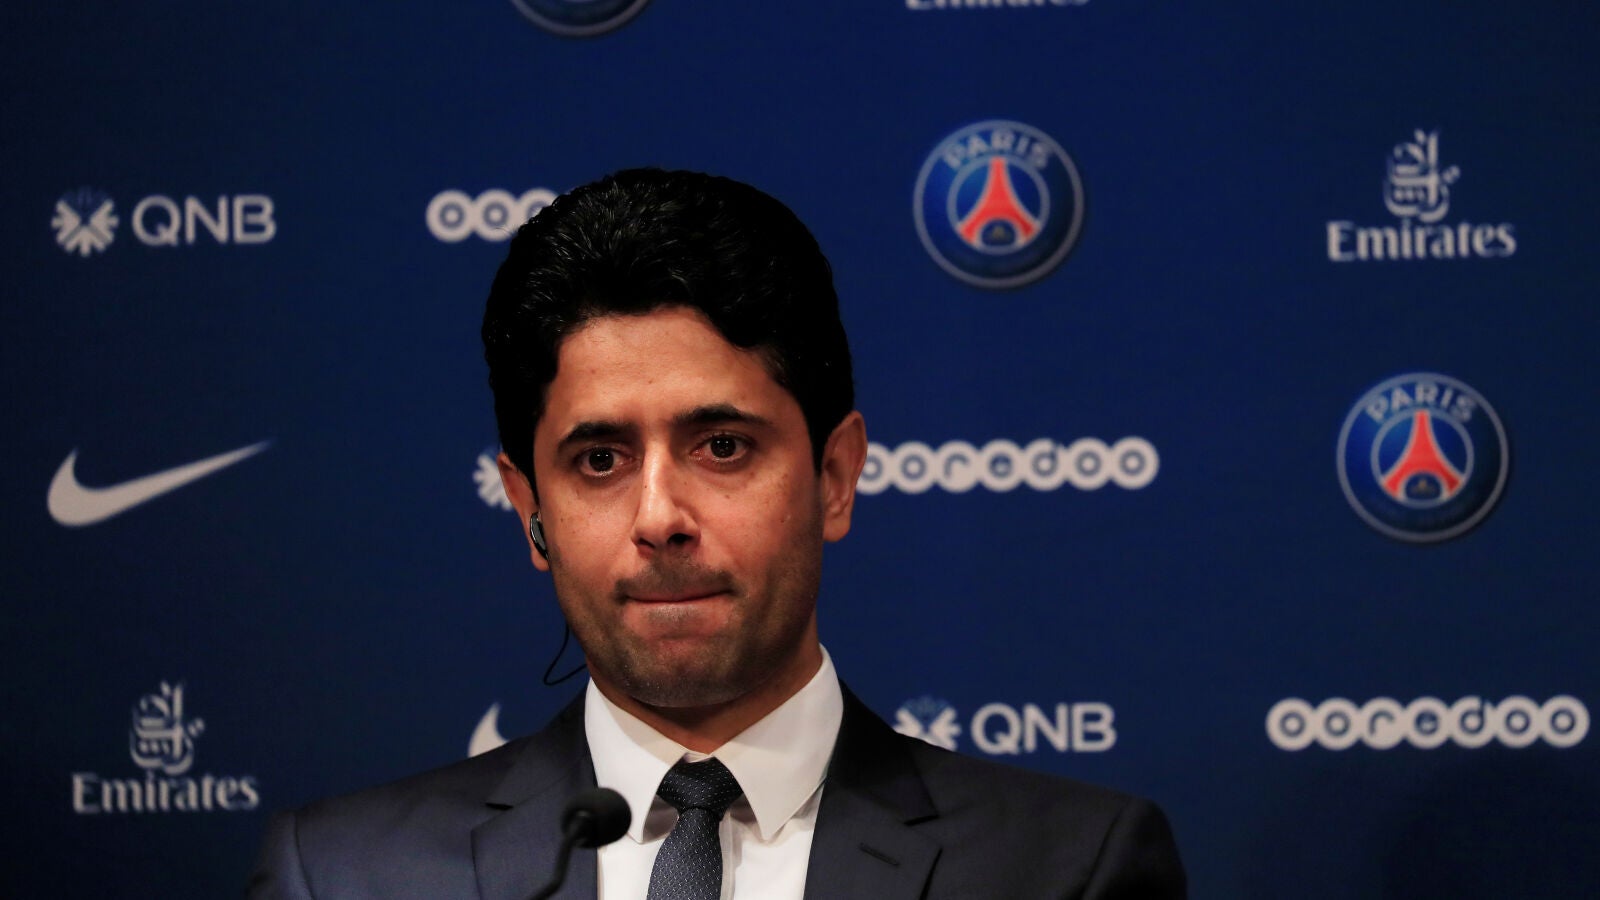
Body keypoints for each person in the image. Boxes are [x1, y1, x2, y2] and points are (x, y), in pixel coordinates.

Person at [248, 168, 1186, 899]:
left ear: (834, 476)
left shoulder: (1064, 871)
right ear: (528, 510)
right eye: (600, 460)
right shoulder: (341, 877)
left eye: (723, 446)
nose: (659, 517)